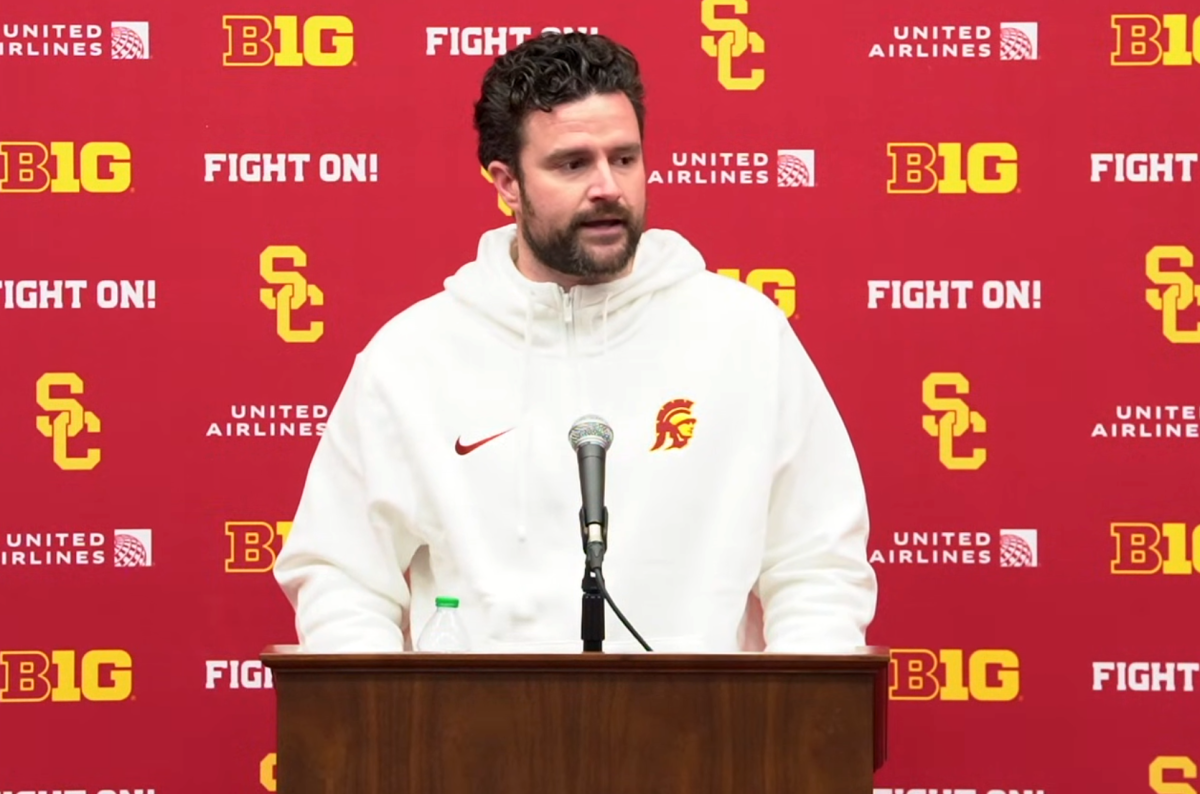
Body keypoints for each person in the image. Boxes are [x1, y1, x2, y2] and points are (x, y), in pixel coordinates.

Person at [273, 32, 877, 654]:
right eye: (572, 163)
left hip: (706, 742)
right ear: (507, 183)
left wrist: (791, 733)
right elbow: (342, 575)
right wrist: (392, 735)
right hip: (474, 746)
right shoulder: (415, 356)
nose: (608, 187)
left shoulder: (746, 337)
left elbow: (818, 565)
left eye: (624, 158)